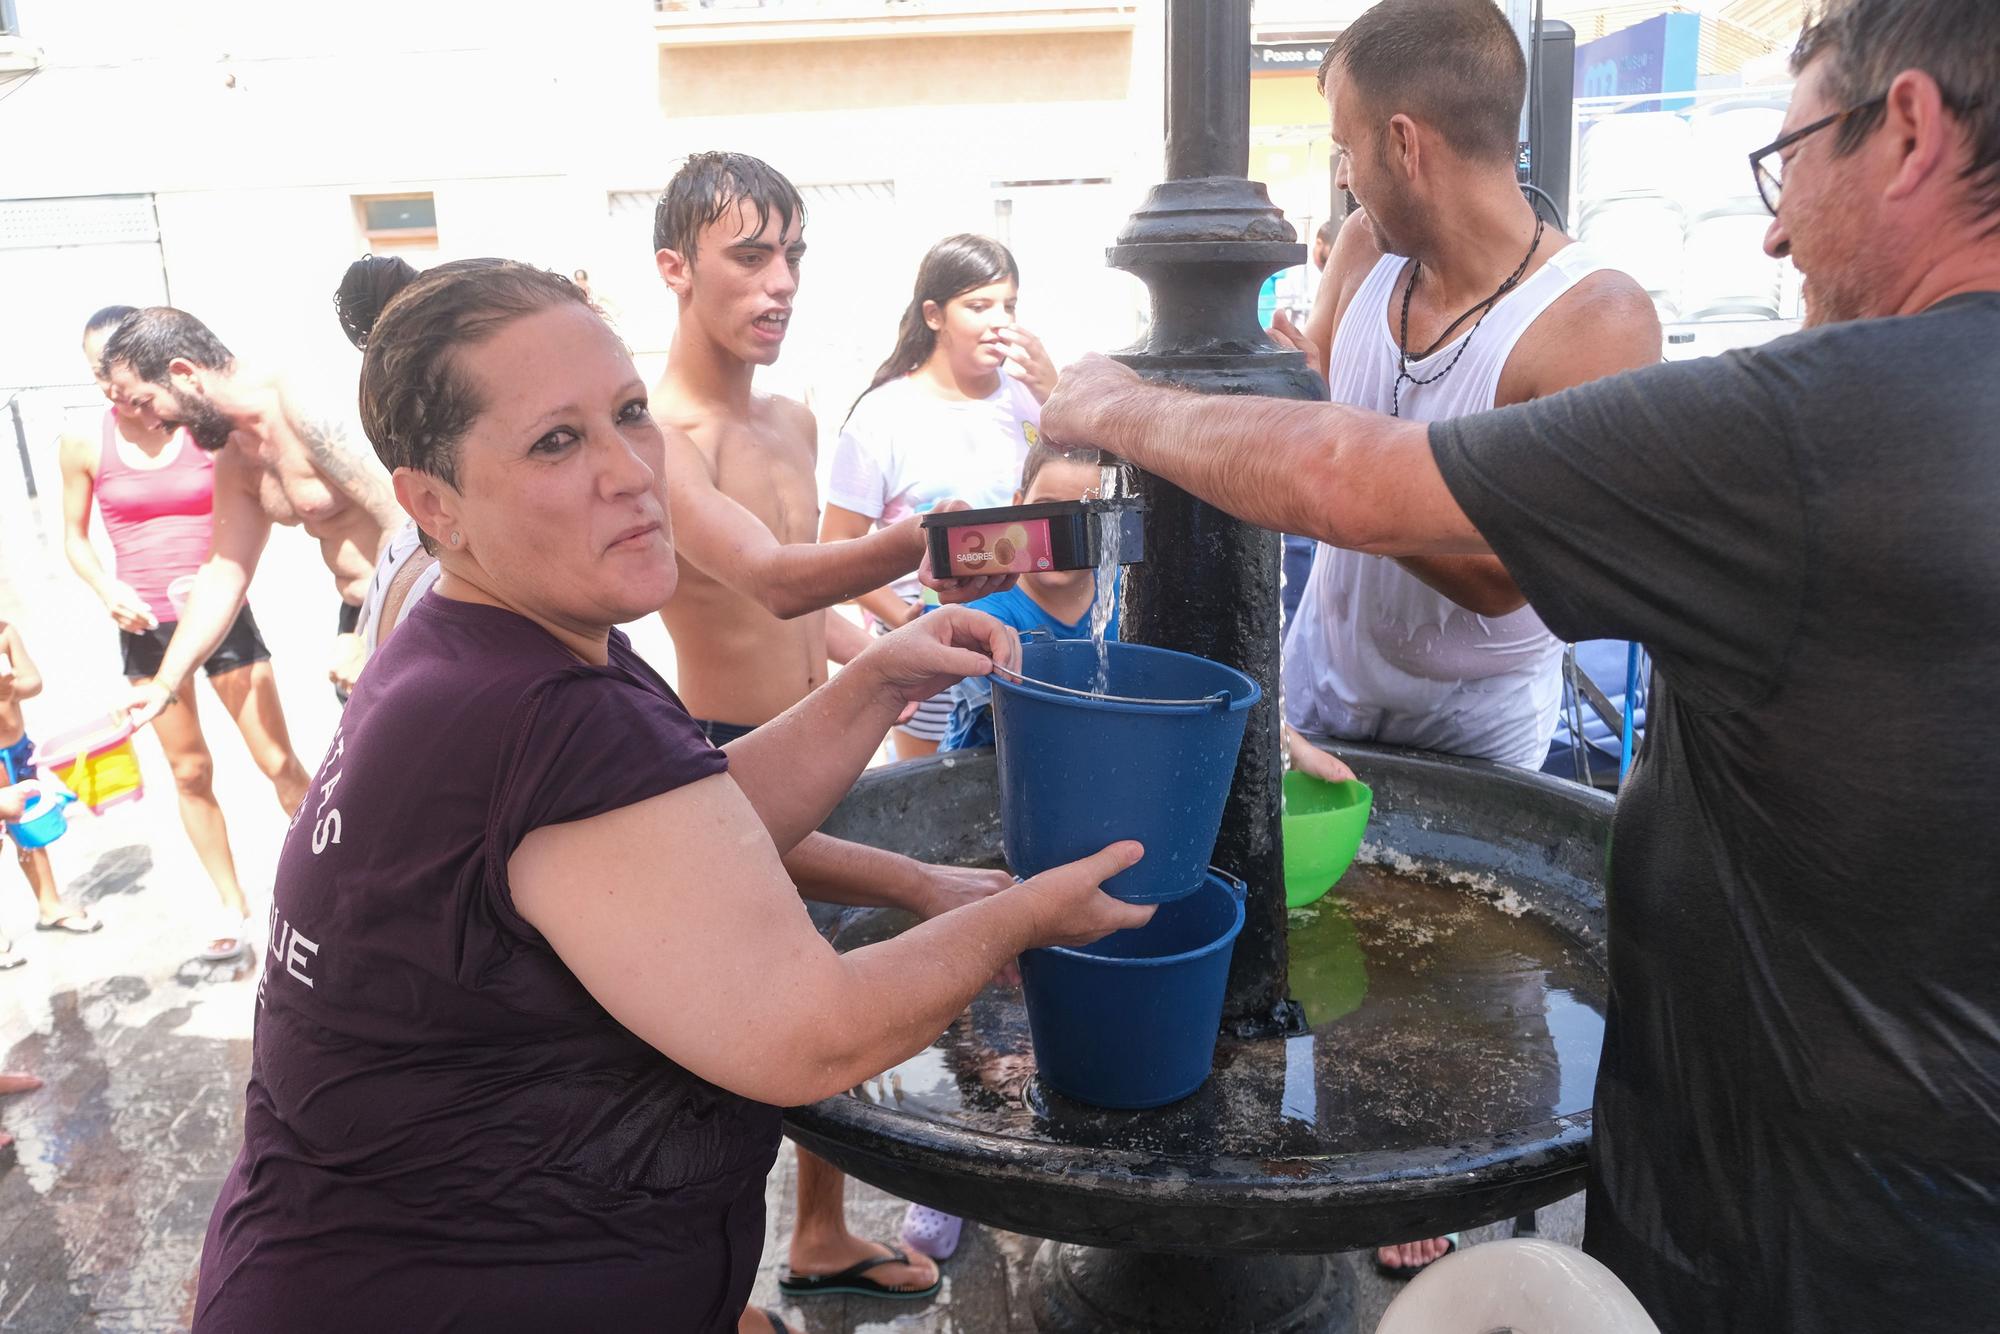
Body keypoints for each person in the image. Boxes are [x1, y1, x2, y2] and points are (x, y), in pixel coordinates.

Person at [1038, 0, 2000, 1327]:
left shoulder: (1810, 421)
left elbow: (1350, 473)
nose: (1773, 229)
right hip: (1936, 1199)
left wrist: (1112, 402)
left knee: (1457, 1045)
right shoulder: (1377, 267)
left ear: (1907, 131)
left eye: (1791, 163)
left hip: (1794, 1224)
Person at [192, 255, 1153, 1334]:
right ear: (432, 503)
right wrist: (1026, 914)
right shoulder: (533, 709)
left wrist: (881, 676)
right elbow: (810, 1035)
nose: (629, 471)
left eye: (628, 414)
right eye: (557, 440)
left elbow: (695, 812)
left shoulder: (494, 644)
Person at [645, 152, 1016, 1320]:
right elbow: (769, 583)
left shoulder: (795, 415)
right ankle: (700, 1290)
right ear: (673, 268)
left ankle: (816, 1230)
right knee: (724, 1061)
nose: (779, 282)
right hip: (723, 759)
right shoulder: (658, 433)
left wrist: (907, 641)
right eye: (748, 256)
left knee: (827, 1010)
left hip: (819, 740)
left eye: (791, 255)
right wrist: (927, 544)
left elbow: (824, 617)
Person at [59, 306, 311, 961]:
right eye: (98, 376)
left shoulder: (197, 424)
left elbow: (246, 522)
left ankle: (342, 881)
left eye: (118, 375)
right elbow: (74, 538)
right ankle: (232, 905)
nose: (111, 390)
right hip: (144, 626)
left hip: (219, 614)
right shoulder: (86, 442)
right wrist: (106, 588)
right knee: (190, 770)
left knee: (276, 760)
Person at [821, 233, 1059, 759]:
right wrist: (904, 622)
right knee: (934, 790)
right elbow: (834, 549)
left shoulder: (1031, 399)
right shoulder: (883, 417)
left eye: (1009, 305)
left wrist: (1058, 393)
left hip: (1021, 632)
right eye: (978, 306)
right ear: (933, 315)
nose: (1000, 320)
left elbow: (1078, 494)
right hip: (928, 633)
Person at [98, 308, 403, 717]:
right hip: (362, 619)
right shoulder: (237, 456)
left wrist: (368, 637)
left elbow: (407, 520)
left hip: (412, 604)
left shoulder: (299, 401)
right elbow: (224, 572)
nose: (151, 424)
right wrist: (165, 684)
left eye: (146, 403)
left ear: (186, 373)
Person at [942, 442, 1120, 753]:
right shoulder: (982, 610)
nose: (1062, 535)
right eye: (1045, 509)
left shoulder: (1125, 591)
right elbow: (1021, 724)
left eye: (1086, 513)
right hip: (988, 771)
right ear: (1017, 507)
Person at [0, 620, 100, 950]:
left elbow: (34, 681)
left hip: (16, 750)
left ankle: (49, 904)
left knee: (30, 830)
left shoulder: (4, 633)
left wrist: (12, 688)